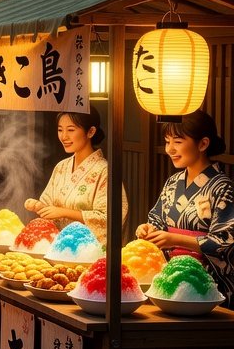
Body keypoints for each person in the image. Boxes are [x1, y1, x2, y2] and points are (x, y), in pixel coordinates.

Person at [138, 110, 234, 300]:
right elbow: (157, 219)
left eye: (178, 142)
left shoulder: (223, 188)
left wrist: (175, 239)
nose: (170, 149)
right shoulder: (173, 182)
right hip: (169, 279)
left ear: (203, 144)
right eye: (167, 141)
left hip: (205, 285)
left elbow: (225, 242)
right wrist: (147, 229)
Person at [24, 111, 126, 246]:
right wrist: (39, 206)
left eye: (71, 130)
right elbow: (48, 204)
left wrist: (64, 212)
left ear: (90, 132)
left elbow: (110, 218)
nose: (64, 136)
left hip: (87, 250)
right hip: (57, 247)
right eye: (60, 130)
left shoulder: (104, 171)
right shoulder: (61, 167)